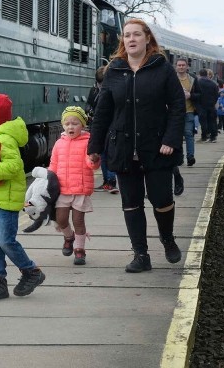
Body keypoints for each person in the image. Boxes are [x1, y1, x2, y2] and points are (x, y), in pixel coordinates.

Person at [87, 18, 185, 273]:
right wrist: (94, 147)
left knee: (161, 198)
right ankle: (141, 254)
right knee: (131, 202)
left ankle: (167, 238)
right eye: (127, 35)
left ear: (147, 39)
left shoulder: (162, 68)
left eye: (136, 35)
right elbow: (103, 112)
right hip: (123, 148)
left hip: (157, 147)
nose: (131, 39)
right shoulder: (114, 71)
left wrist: (171, 140)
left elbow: (177, 106)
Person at [0, 92, 45, 301]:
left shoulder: (5, 139)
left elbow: (14, 166)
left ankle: (31, 271)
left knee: (5, 241)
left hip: (6, 201)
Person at [49, 106, 101, 265]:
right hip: (63, 189)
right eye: (67, 123)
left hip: (80, 189)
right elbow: (53, 164)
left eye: (75, 123)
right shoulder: (59, 143)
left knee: (78, 221)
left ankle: (79, 250)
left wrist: (94, 159)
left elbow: (92, 165)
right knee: (61, 219)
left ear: (83, 125)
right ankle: (68, 237)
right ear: (63, 125)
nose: (71, 127)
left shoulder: (88, 142)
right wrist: (48, 178)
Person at [87, 66, 118, 192]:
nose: (100, 86)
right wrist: (89, 111)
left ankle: (111, 180)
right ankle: (106, 180)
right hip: (100, 125)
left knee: (109, 154)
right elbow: (89, 103)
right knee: (103, 154)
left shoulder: (113, 90)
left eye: (102, 83)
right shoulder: (94, 90)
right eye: (99, 83)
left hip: (111, 126)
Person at [175, 58, 200, 167]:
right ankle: (179, 157)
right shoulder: (171, 78)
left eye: (183, 65)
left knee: (188, 133)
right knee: (177, 135)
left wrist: (190, 95)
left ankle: (190, 157)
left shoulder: (193, 79)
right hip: (174, 112)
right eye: (179, 65)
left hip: (189, 111)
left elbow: (199, 94)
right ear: (176, 66)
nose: (181, 67)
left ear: (187, 67)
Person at [196, 70, 219, 142]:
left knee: (203, 122)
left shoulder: (198, 83)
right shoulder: (213, 84)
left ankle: (204, 137)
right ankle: (213, 137)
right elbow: (216, 95)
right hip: (211, 105)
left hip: (201, 105)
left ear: (199, 75)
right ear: (206, 75)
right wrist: (213, 103)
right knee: (212, 121)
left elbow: (196, 94)